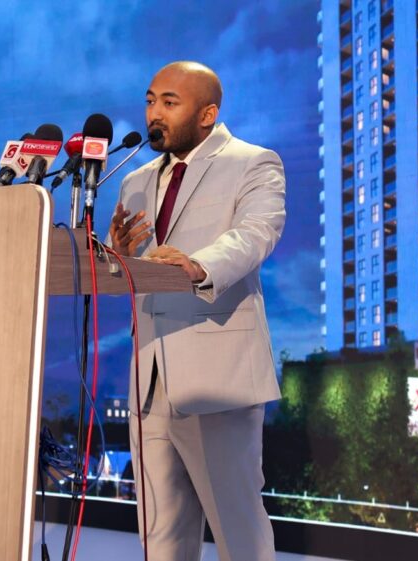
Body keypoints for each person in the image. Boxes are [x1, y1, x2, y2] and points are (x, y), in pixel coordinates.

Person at [107, 61, 286, 561]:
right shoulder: (135, 180)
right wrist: (115, 253)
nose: (154, 113)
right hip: (149, 381)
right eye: (150, 101)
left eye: (170, 102)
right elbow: (130, 269)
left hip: (217, 378)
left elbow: (256, 234)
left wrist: (198, 265)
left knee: (239, 533)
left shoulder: (253, 162)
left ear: (207, 113)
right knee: (161, 538)